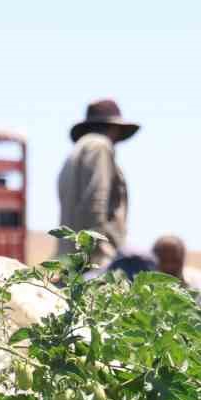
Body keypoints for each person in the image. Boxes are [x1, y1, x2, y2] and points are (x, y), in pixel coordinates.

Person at [57, 98, 135, 272]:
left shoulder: (77, 151)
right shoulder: (100, 147)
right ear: (114, 128)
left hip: (70, 257)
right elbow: (96, 198)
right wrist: (97, 255)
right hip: (94, 258)